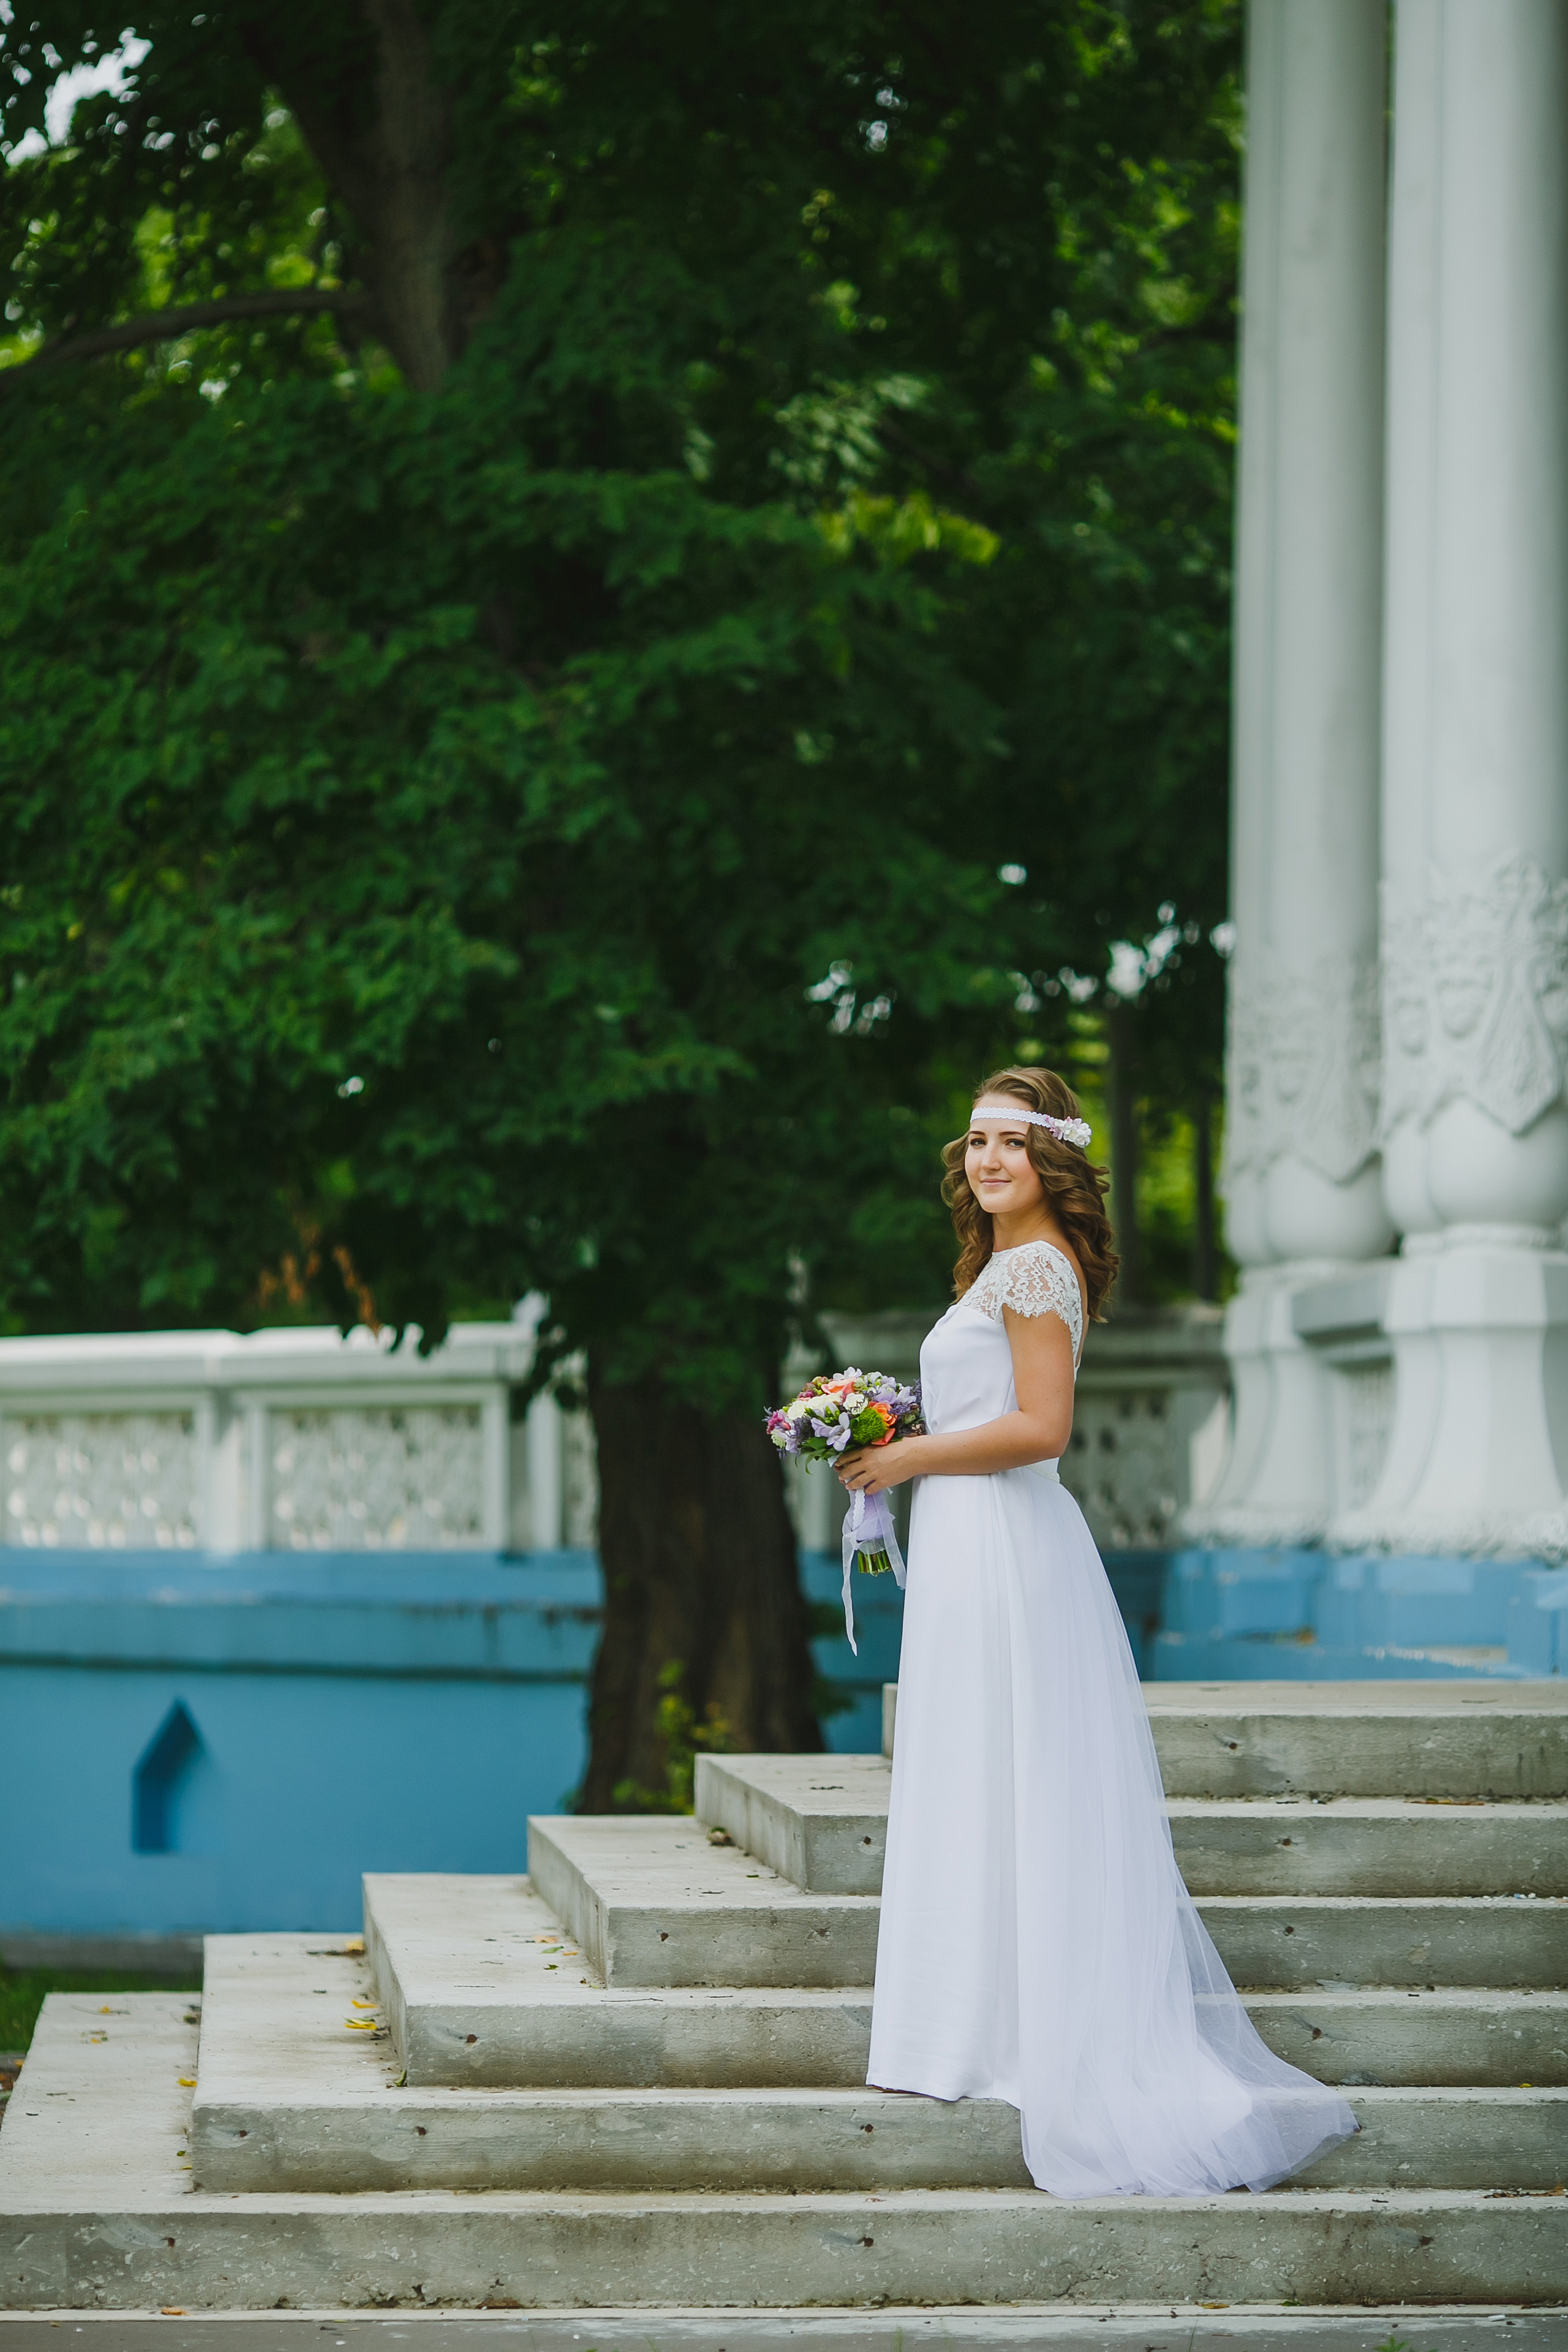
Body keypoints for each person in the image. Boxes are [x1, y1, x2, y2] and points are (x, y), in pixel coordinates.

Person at [835, 1065, 1356, 2198]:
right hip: (971, 1538)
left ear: (1050, 1161)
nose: (986, 1162)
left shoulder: (1032, 1264)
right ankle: (960, 2030)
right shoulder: (999, 1265)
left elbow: (1040, 1428)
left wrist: (910, 1454)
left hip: (1005, 1539)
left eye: (1010, 1145)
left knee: (1002, 1770)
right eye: (974, 1142)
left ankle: (992, 2036)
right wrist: (881, 1431)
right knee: (977, 1770)